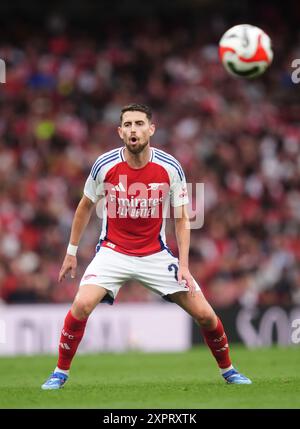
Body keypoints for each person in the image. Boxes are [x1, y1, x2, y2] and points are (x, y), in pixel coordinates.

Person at [41, 103, 251, 389]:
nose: (133, 130)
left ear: (151, 129)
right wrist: (71, 253)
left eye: (139, 123)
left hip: (155, 254)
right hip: (112, 252)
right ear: (120, 132)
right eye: (127, 125)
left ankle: (228, 370)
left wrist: (185, 266)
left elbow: (182, 218)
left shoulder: (169, 167)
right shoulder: (104, 165)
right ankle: (59, 373)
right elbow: (84, 206)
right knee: (81, 304)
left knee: (205, 314)